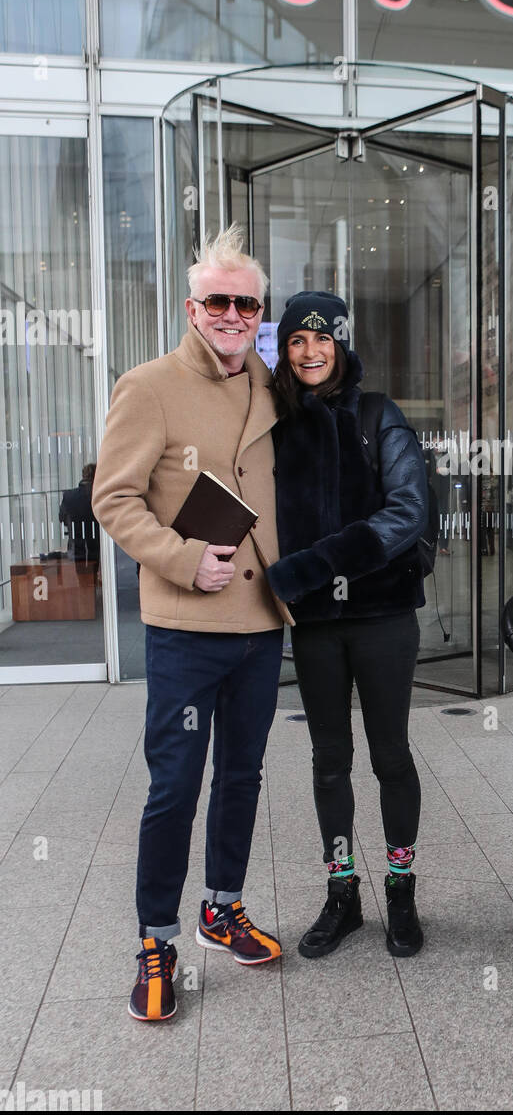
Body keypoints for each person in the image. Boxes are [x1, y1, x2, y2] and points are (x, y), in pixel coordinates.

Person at [91, 225, 291, 1023]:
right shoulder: (147, 385)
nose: (234, 313)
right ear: (193, 306)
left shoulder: (272, 386)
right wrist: (179, 558)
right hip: (184, 625)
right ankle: (155, 940)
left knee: (242, 775)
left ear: (258, 310)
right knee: (174, 787)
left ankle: (222, 908)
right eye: (219, 300)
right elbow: (114, 498)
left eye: (247, 302)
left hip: (261, 621)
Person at [263, 293, 429, 960]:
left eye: (320, 340)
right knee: (329, 761)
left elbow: (408, 510)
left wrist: (315, 564)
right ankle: (342, 893)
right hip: (316, 624)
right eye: (296, 342)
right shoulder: (276, 421)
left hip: (384, 615)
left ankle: (400, 887)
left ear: (340, 344)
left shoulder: (376, 414)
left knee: (391, 756)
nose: (308, 353)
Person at [59, 462, 100, 564]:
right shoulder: (99, 494)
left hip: (77, 547)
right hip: (99, 547)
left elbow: (62, 518)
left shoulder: (69, 495)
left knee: (82, 578)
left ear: (83, 475)